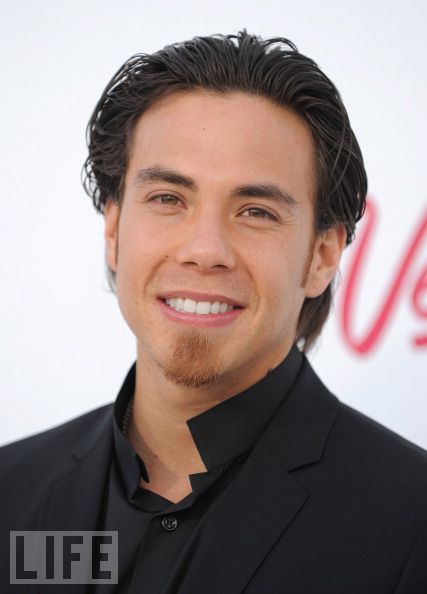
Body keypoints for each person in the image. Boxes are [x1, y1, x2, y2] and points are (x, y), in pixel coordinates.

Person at [1, 31, 427, 593]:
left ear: (322, 256)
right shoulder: (12, 490)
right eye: (168, 199)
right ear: (114, 229)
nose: (205, 250)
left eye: (256, 211)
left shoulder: (410, 524)